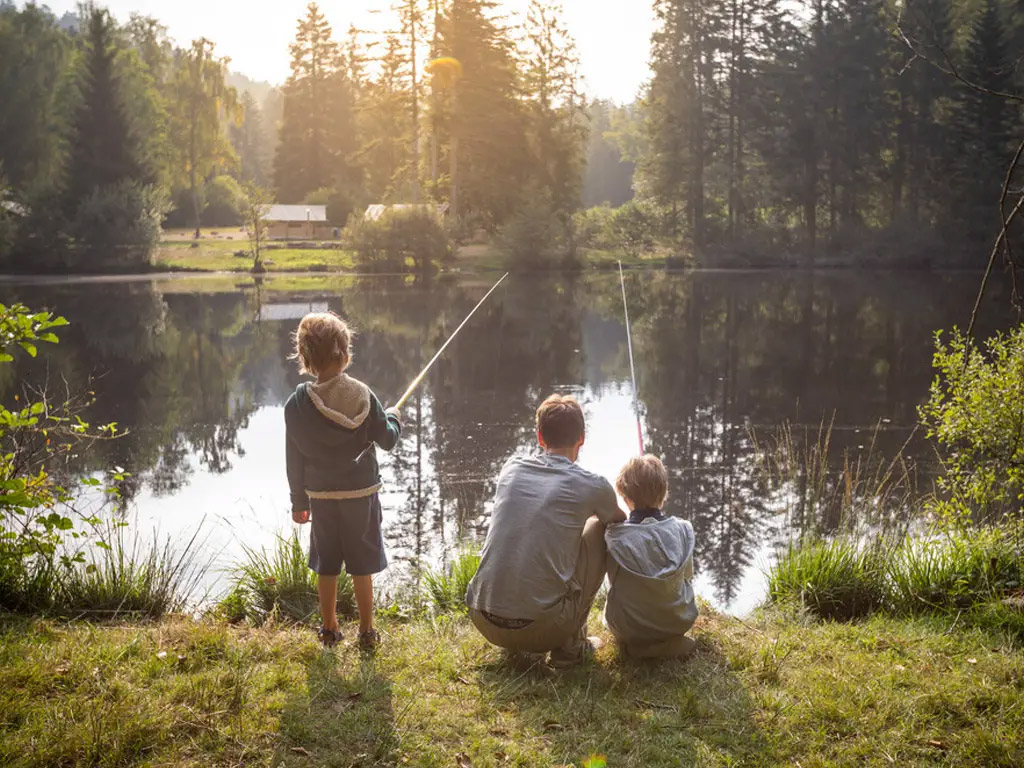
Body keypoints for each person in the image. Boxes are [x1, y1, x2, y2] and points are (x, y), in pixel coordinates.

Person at [466, 394, 626, 668]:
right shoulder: (592, 484)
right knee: (599, 528)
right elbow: (618, 519)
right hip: (542, 629)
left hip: (482, 617)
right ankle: (570, 648)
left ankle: (514, 630)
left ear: (540, 438)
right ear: (581, 439)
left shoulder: (511, 469)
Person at [284, 311, 402, 650]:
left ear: (305, 358)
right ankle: (366, 631)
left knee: (327, 563)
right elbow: (388, 439)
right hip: (360, 495)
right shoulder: (364, 395)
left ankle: (330, 628)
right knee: (362, 563)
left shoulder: (296, 406)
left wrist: (298, 503)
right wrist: (394, 418)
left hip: (321, 497)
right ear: (345, 353)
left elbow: (294, 460)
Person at [604, 455, 698, 659]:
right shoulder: (683, 530)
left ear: (625, 499)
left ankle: (641, 646)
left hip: (628, 628)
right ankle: (668, 642)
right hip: (678, 622)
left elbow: (613, 580)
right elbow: (688, 576)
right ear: (663, 494)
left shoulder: (615, 536)